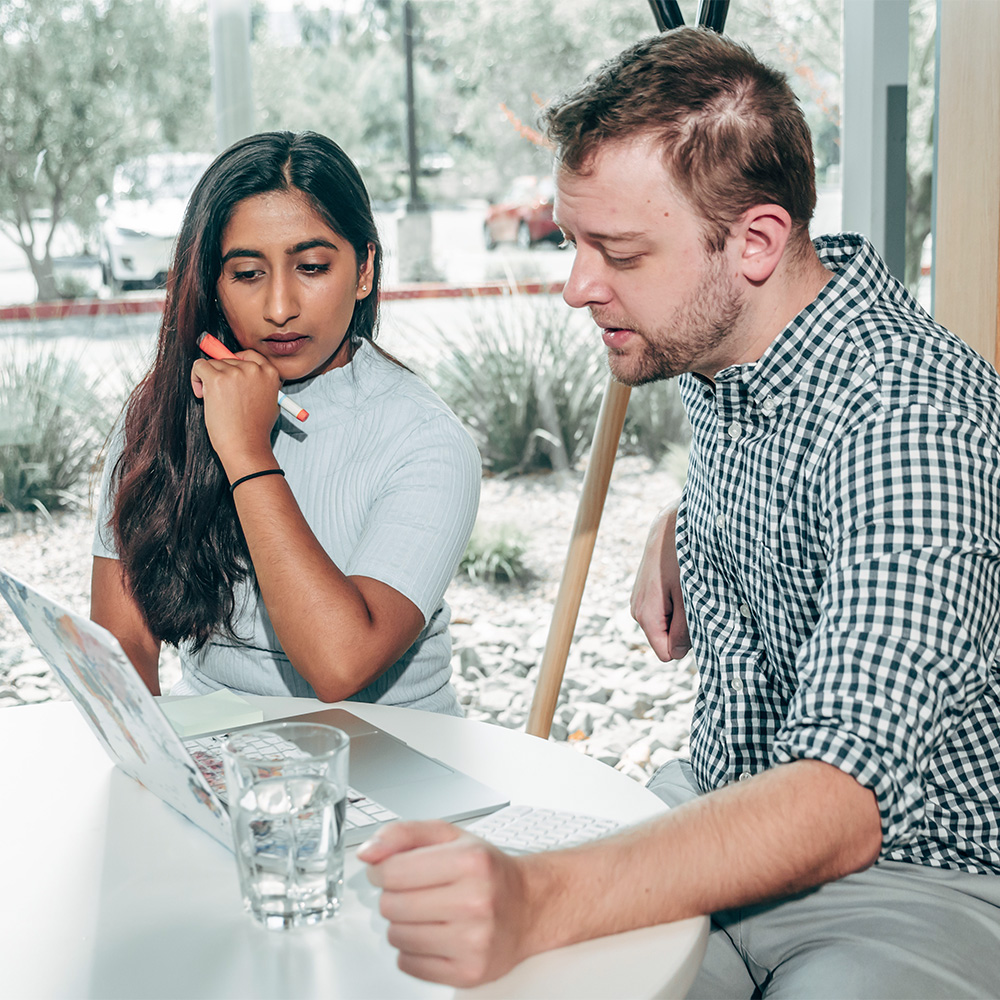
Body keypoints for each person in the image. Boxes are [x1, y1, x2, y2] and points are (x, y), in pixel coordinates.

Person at [359, 27, 1000, 996]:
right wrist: (688, 527)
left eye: (616, 251)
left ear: (754, 242)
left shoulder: (911, 420)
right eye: (574, 242)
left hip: (910, 877)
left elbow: (841, 800)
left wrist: (543, 899)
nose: (578, 286)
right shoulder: (728, 344)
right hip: (717, 809)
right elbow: (803, 475)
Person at [91, 131, 480, 715]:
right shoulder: (165, 409)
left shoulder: (425, 439)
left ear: (365, 270)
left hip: (393, 754)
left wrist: (247, 453)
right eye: (247, 273)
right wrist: (154, 765)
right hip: (216, 747)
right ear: (213, 286)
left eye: (313, 266)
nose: (279, 307)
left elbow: (340, 662)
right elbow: (123, 644)